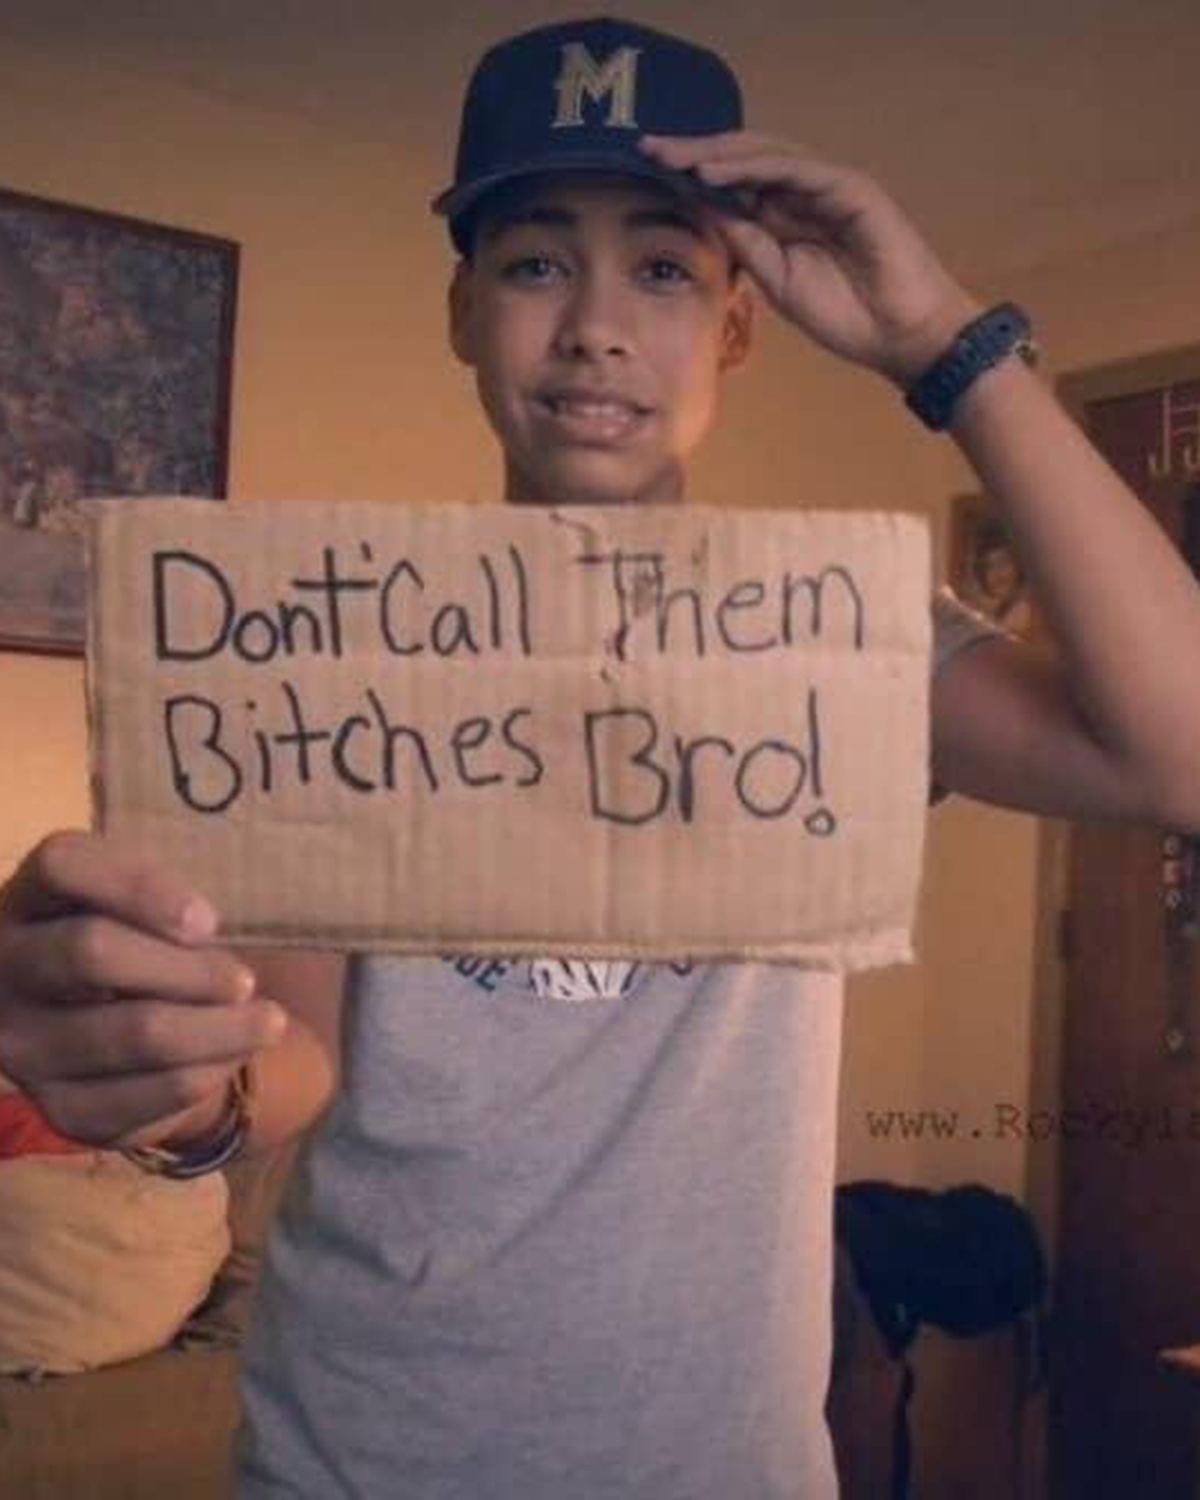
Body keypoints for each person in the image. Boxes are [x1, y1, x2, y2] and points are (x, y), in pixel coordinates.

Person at [1, 16, 1199, 1498]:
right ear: (463, 310)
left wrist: (945, 341)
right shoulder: (340, 633)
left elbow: (1177, 756)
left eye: (665, 269)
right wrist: (179, 1093)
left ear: (740, 324)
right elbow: (295, 1059)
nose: (596, 328)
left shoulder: (839, 639)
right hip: (362, 1461)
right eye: (534, 263)